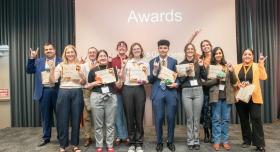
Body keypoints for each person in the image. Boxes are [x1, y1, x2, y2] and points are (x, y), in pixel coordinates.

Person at [49, 45, 86, 152]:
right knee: (62, 120)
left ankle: (75, 144)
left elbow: (84, 82)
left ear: (75, 53)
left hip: (77, 91)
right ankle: (62, 145)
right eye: (68, 52)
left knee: (76, 119)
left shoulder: (80, 65)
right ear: (65, 54)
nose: (70, 54)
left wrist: (82, 76)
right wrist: (52, 69)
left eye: (72, 52)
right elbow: (52, 81)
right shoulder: (60, 65)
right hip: (63, 92)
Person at [26, 42, 62, 147]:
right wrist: (32, 58)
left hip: (58, 91)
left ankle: (61, 138)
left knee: (60, 116)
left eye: (50, 49)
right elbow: (29, 70)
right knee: (46, 117)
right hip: (44, 91)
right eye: (46, 49)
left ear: (54, 50)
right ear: (44, 51)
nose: (48, 51)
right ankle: (46, 137)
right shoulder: (38, 61)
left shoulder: (61, 61)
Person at [87, 50, 123, 152]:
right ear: (97, 58)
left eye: (104, 56)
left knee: (110, 123)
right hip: (96, 97)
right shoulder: (93, 70)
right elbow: (87, 86)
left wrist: (120, 78)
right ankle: (99, 145)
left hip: (111, 97)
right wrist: (94, 83)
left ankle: (110, 145)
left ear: (108, 58)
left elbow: (118, 86)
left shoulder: (113, 70)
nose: (102, 58)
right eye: (100, 56)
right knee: (98, 124)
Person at [203, 47, 237, 151]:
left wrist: (231, 71)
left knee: (225, 120)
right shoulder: (210, 67)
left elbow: (234, 81)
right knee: (216, 120)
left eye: (220, 53)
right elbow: (206, 83)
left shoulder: (227, 66)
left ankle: (225, 141)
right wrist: (216, 79)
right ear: (213, 55)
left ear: (222, 54)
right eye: (216, 53)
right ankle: (217, 141)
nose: (218, 55)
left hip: (227, 96)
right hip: (215, 96)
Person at [234, 48, 267, 152]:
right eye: (245, 54)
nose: (247, 56)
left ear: (252, 56)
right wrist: (239, 84)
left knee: (256, 119)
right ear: (242, 56)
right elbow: (233, 80)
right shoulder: (236, 67)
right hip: (241, 97)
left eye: (249, 54)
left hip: (254, 97)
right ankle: (247, 140)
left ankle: (260, 144)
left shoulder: (257, 66)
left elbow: (264, 77)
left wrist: (261, 64)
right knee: (244, 120)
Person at [149, 39, 178, 152]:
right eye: (160, 48)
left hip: (171, 92)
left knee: (171, 118)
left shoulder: (174, 61)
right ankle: (159, 142)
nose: (162, 50)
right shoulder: (152, 61)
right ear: (158, 49)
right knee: (159, 118)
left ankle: (170, 141)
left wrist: (176, 84)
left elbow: (178, 77)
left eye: (165, 48)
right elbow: (150, 80)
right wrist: (155, 71)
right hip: (158, 92)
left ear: (168, 49)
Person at [178, 43, 206, 150]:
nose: (190, 50)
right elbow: (180, 81)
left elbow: (204, 76)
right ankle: (190, 140)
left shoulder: (198, 62)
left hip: (198, 91)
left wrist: (202, 66)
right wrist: (186, 72)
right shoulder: (181, 64)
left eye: (191, 49)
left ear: (194, 51)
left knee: (196, 118)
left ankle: (196, 140)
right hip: (186, 91)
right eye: (188, 49)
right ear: (185, 51)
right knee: (190, 118)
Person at [121, 43, 149, 152]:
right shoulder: (127, 62)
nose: (136, 50)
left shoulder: (145, 63)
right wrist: (123, 67)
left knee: (139, 117)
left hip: (139, 89)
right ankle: (132, 143)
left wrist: (145, 80)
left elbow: (147, 80)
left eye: (138, 48)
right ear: (131, 51)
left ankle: (139, 143)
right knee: (129, 116)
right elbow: (122, 79)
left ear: (141, 50)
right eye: (134, 49)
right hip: (127, 89)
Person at [111, 41, 129, 145]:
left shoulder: (130, 60)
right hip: (116, 91)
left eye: (123, 46)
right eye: (119, 46)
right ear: (117, 48)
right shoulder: (112, 61)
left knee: (127, 114)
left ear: (126, 49)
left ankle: (126, 136)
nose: (121, 48)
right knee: (117, 114)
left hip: (127, 91)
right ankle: (118, 136)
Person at [80, 47, 98, 147]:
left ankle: (99, 138)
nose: (92, 54)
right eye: (90, 52)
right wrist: (83, 80)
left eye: (93, 52)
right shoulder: (83, 65)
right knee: (86, 116)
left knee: (98, 116)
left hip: (98, 91)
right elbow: (81, 80)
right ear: (88, 53)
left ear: (96, 53)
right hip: (86, 91)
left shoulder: (101, 64)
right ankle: (88, 137)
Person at [200, 40, 214, 143]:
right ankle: (206, 134)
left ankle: (213, 134)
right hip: (203, 89)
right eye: (203, 46)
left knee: (213, 112)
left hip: (214, 87)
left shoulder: (215, 57)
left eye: (207, 45)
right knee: (204, 112)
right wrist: (193, 35)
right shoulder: (200, 58)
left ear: (210, 46)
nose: (205, 47)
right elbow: (186, 48)